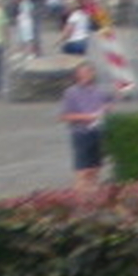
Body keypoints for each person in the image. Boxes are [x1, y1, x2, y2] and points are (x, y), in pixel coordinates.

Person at [59, 59, 115, 191]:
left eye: (89, 72)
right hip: (81, 134)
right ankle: (79, 198)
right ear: (77, 75)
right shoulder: (71, 92)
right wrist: (88, 117)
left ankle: (93, 199)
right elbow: (65, 116)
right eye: (82, 72)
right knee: (83, 172)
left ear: (93, 73)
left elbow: (109, 105)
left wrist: (107, 108)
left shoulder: (100, 91)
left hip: (98, 132)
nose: (86, 75)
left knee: (96, 170)